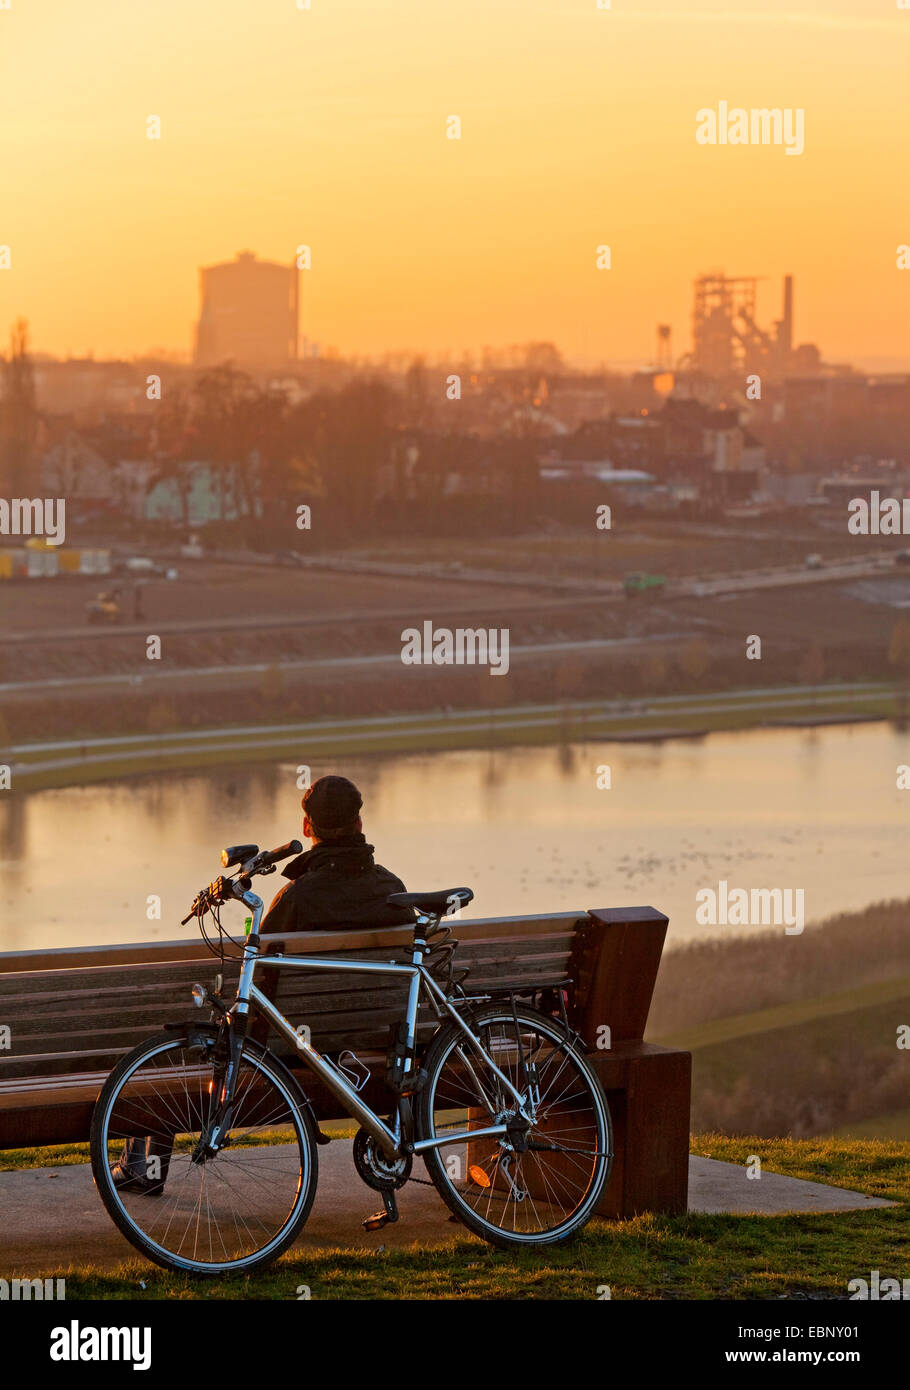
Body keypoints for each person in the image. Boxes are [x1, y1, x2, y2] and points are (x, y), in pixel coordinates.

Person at [111, 775, 411, 1195]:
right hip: (377, 1048)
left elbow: (263, 990)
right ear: (359, 822)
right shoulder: (393, 891)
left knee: (207, 1041)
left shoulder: (295, 900)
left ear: (307, 827)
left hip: (294, 1055)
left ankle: (148, 1166)